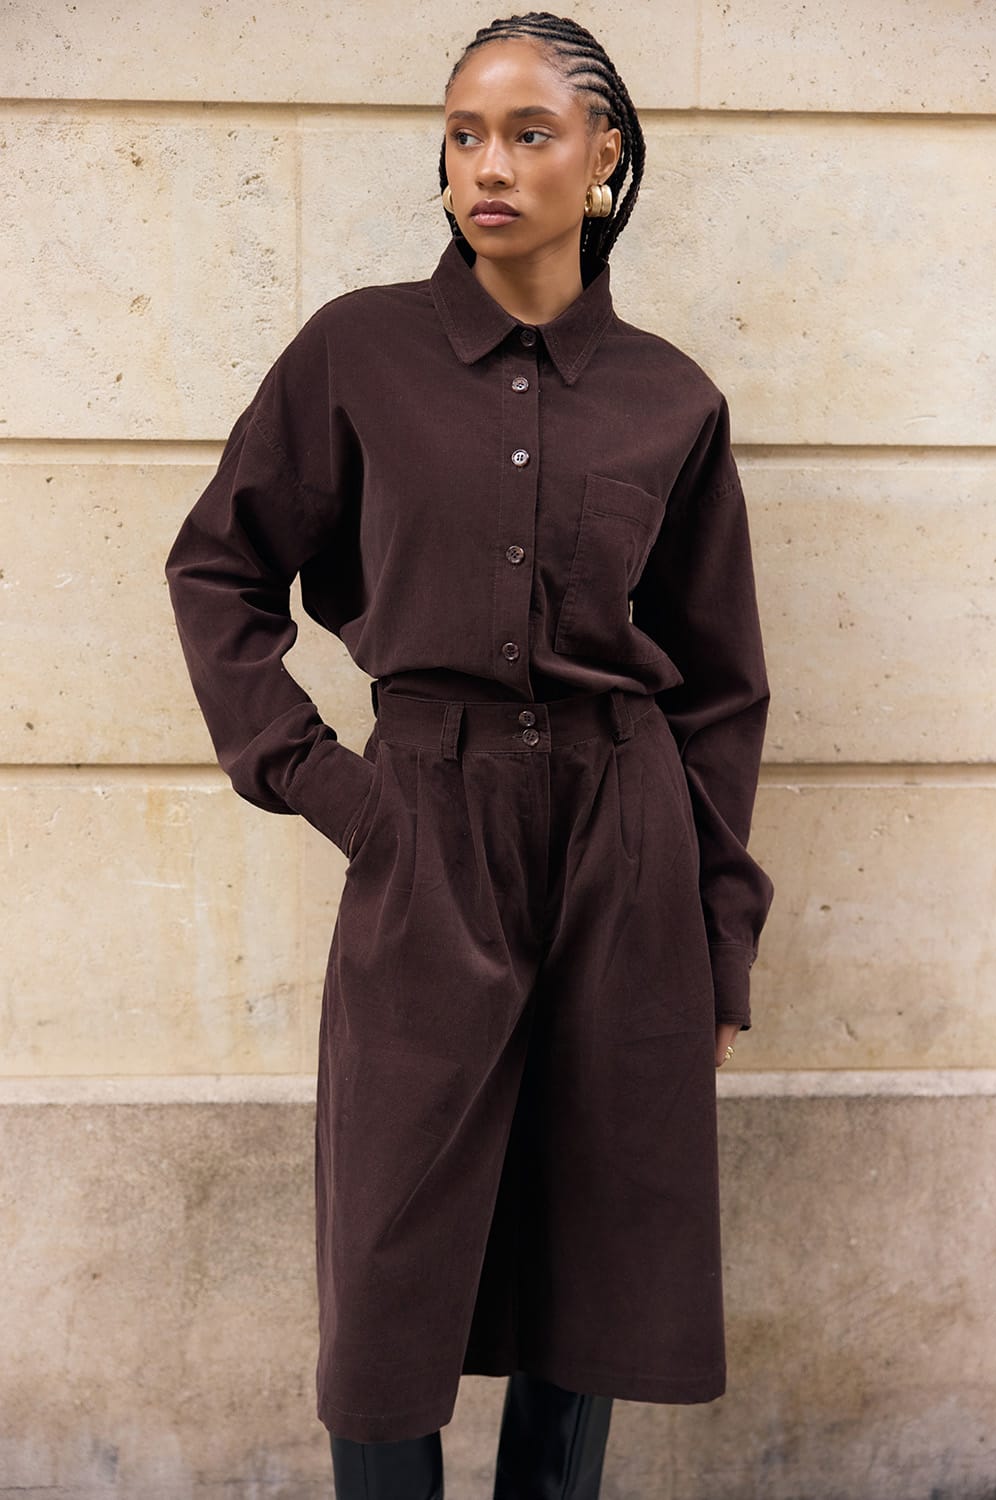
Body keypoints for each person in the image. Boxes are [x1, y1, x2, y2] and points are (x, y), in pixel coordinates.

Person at [164, 11, 775, 1498]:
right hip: (426, 819)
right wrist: (330, 784)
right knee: (391, 1237)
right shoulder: (355, 352)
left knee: (598, 1230)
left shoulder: (672, 399)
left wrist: (717, 933)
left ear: (604, 158)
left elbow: (716, 691)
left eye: (527, 133)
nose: (487, 166)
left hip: (623, 836)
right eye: (462, 134)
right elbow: (217, 571)